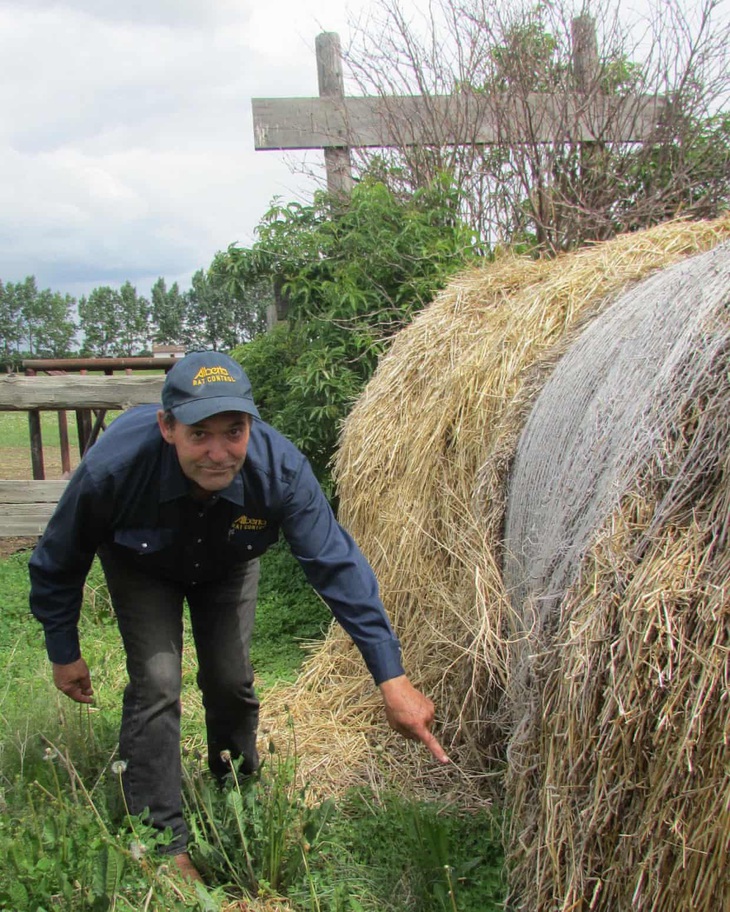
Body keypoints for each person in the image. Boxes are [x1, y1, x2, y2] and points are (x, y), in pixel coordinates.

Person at [29, 350, 448, 882]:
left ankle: (237, 797)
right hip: (142, 563)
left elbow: (337, 567)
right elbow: (57, 558)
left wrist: (393, 679)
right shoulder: (114, 469)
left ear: (251, 424)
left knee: (230, 678)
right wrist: (63, 651)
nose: (218, 452)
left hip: (228, 561)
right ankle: (161, 842)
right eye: (198, 434)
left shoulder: (280, 470)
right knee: (158, 681)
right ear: (167, 426)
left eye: (234, 431)